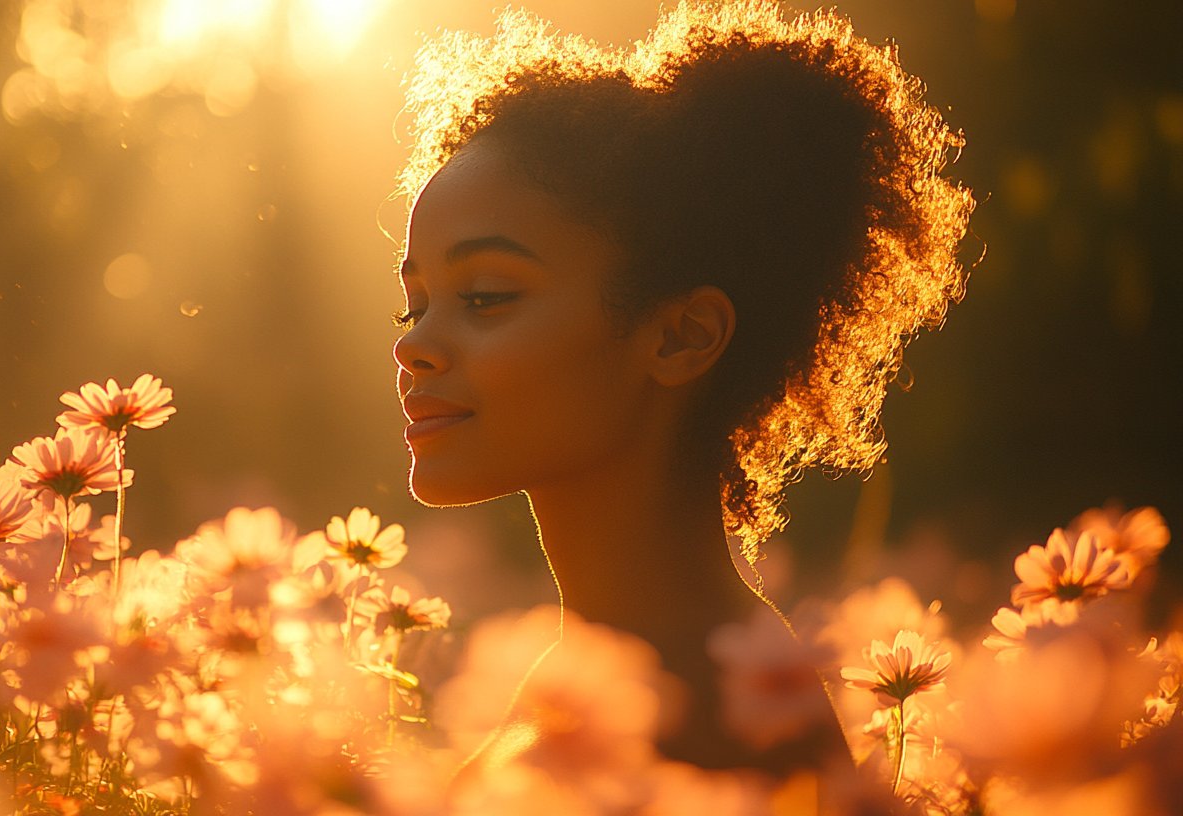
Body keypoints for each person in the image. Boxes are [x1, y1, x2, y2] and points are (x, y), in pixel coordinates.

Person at [389, 0, 973, 774]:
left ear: (681, 336)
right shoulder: (618, 664)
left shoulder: (707, 719)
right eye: (416, 304)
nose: (415, 346)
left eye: (487, 296)